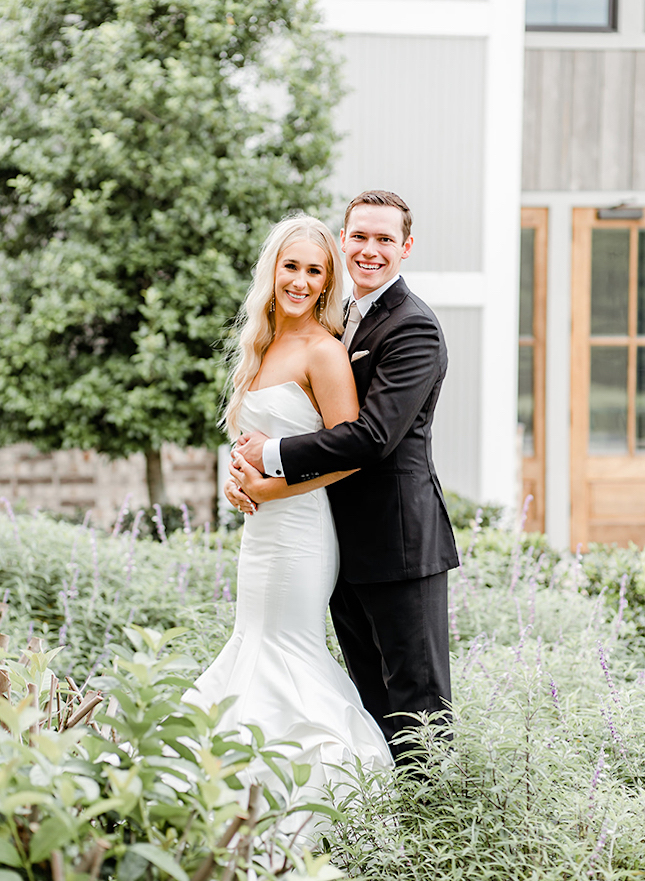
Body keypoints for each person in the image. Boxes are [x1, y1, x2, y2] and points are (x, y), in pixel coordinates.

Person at [229, 191, 459, 761]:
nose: (370, 249)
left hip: (398, 542)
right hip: (335, 540)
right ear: (343, 240)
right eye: (359, 236)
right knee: (369, 702)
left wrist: (271, 456)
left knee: (419, 706)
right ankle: (375, 824)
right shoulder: (340, 319)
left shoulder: (414, 327)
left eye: (385, 239)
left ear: (406, 247)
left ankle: (431, 831)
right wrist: (241, 474)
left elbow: (374, 437)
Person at [184, 214, 393, 798]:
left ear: (328, 283)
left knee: (284, 649)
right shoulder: (263, 344)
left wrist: (272, 488)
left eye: (315, 271)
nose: (300, 281)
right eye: (291, 267)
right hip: (261, 531)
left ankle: (326, 787)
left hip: (301, 529)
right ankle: (236, 790)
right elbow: (256, 442)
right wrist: (238, 480)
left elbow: (350, 452)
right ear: (272, 271)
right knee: (251, 643)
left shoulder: (323, 352)